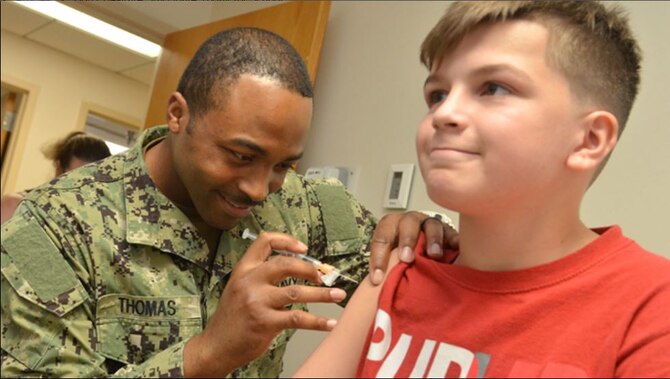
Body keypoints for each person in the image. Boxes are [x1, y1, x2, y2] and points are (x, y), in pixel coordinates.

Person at [0, 27, 457, 377]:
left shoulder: (310, 208)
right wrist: (210, 353)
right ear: (178, 114)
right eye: (241, 156)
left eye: (283, 165)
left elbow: (416, 293)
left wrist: (423, 228)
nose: (260, 189)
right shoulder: (50, 229)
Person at [295, 1, 670, 377]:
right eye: (438, 94)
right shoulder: (400, 268)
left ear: (589, 139)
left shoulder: (652, 305)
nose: (443, 113)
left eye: (494, 88)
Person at [0, 131, 111, 224]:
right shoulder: (16, 206)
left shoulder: (100, 225)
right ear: (58, 169)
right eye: (73, 181)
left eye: (91, 184)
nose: (81, 193)